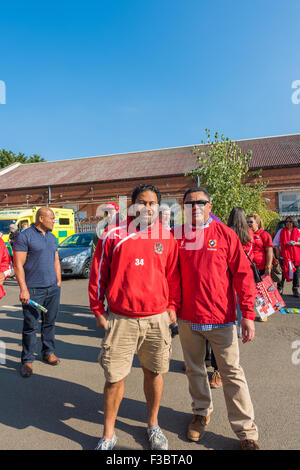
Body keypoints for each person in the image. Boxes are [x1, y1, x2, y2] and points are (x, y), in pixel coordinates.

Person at [89, 184, 180, 451]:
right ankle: (108, 434)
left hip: (157, 319)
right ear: (132, 205)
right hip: (121, 319)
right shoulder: (113, 235)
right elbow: (98, 276)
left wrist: (173, 306)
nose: (147, 208)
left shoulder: (167, 236)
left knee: (154, 373)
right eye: (142, 202)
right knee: (114, 378)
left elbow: (173, 277)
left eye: (153, 203)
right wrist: (97, 310)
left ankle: (153, 425)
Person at [176, 187, 259, 450]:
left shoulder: (226, 235)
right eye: (190, 203)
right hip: (188, 318)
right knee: (194, 369)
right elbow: (168, 274)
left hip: (221, 319)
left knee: (232, 373)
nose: (195, 206)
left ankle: (247, 432)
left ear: (210, 206)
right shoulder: (176, 236)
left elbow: (244, 275)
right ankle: (201, 412)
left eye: (201, 202)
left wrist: (248, 314)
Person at [13, 207, 62, 378]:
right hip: (34, 290)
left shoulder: (52, 237)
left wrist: (58, 280)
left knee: (49, 322)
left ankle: (48, 352)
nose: (54, 221)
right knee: (31, 326)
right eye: (52, 218)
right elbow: (18, 264)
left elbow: (55, 259)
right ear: (41, 218)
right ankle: (27, 360)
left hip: (52, 289)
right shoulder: (25, 236)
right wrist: (24, 289)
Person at [228, 207, 254, 334]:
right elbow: (250, 252)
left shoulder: (227, 231)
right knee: (241, 298)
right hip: (245, 268)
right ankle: (240, 325)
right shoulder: (248, 232)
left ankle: (231, 324)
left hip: (229, 269)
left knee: (230, 297)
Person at [278, 217, 300, 297]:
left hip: (295, 256)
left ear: (294, 222)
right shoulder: (281, 231)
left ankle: (295, 289)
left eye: (290, 221)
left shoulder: (298, 231)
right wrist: (277, 252)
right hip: (285, 256)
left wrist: (295, 243)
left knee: (296, 274)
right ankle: (279, 289)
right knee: (283, 273)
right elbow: (275, 243)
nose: (288, 223)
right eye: (287, 221)